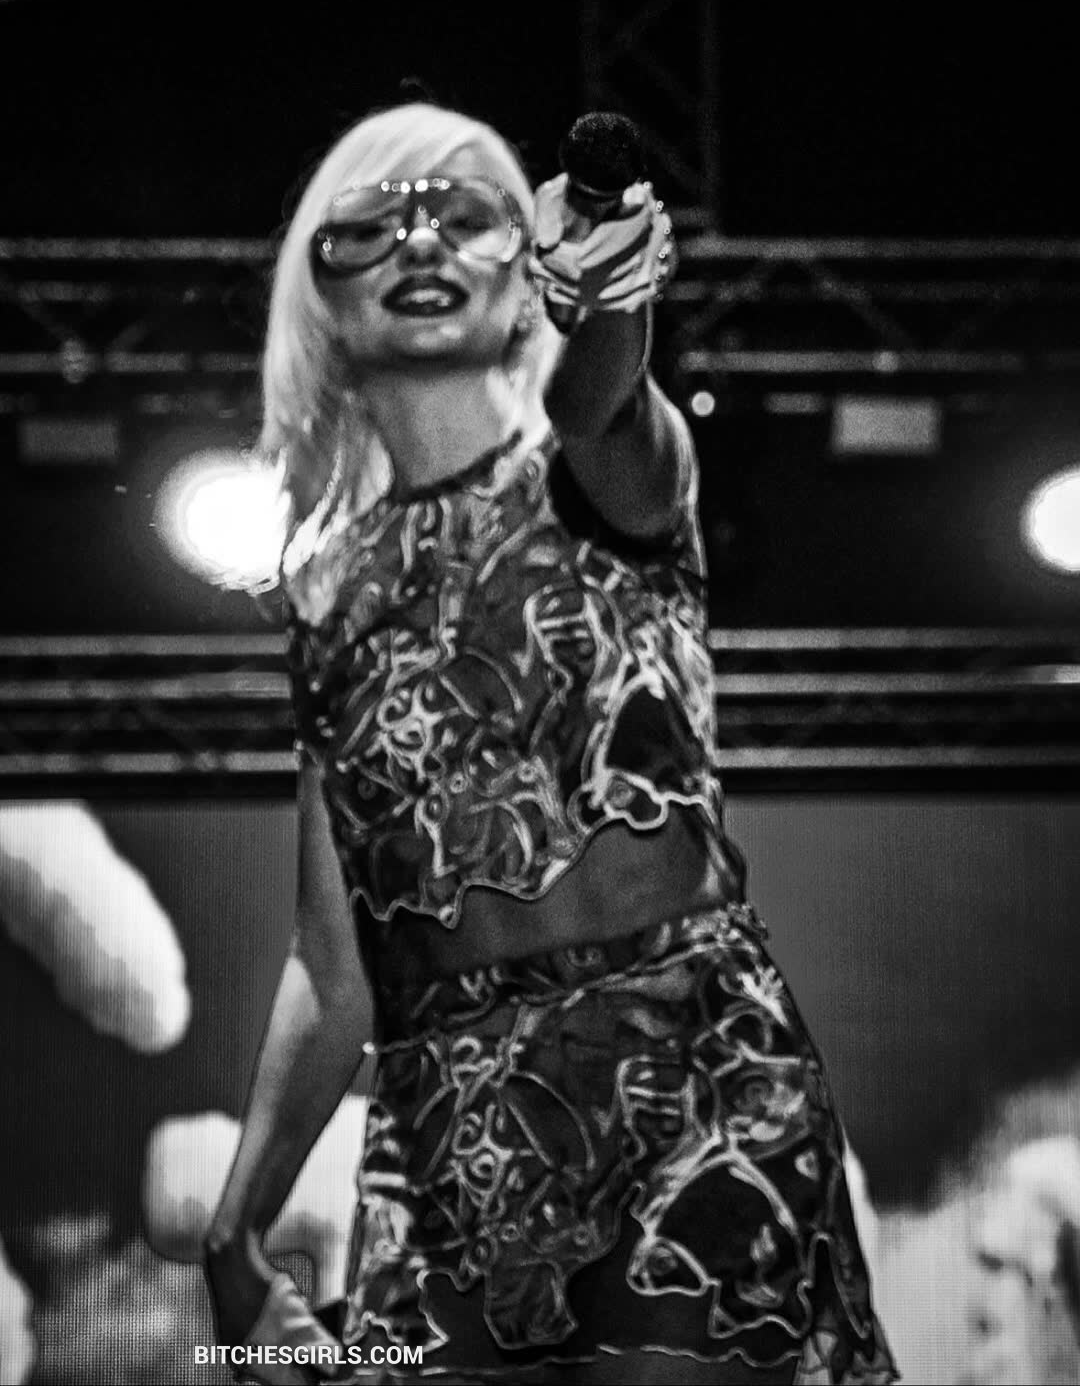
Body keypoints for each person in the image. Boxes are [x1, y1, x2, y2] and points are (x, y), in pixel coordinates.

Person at [202, 100, 898, 1386]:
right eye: (370, 226)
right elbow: (336, 955)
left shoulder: (600, 470)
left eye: (465, 214)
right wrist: (233, 1230)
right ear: (318, 294)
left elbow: (601, 401)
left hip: (683, 1083)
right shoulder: (324, 588)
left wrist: (613, 300)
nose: (421, 241)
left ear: (528, 277)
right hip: (441, 1137)